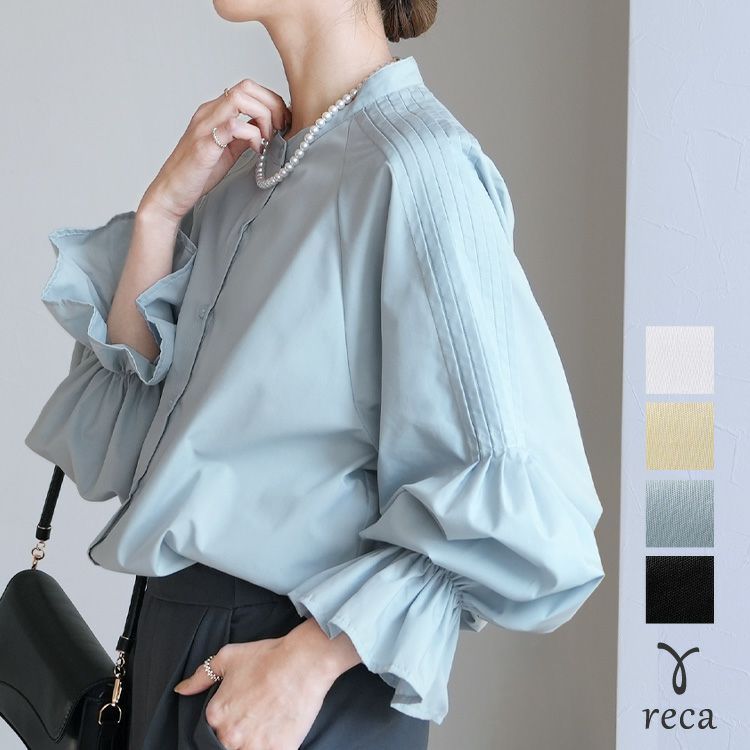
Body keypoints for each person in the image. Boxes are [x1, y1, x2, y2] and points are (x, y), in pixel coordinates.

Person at [23, 0, 606, 748]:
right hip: (173, 649)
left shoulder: (415, 166)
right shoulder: (248, 170)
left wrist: (309, 662)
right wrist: (161, 215)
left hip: (298, 673)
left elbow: (518, 497)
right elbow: (128, 442)